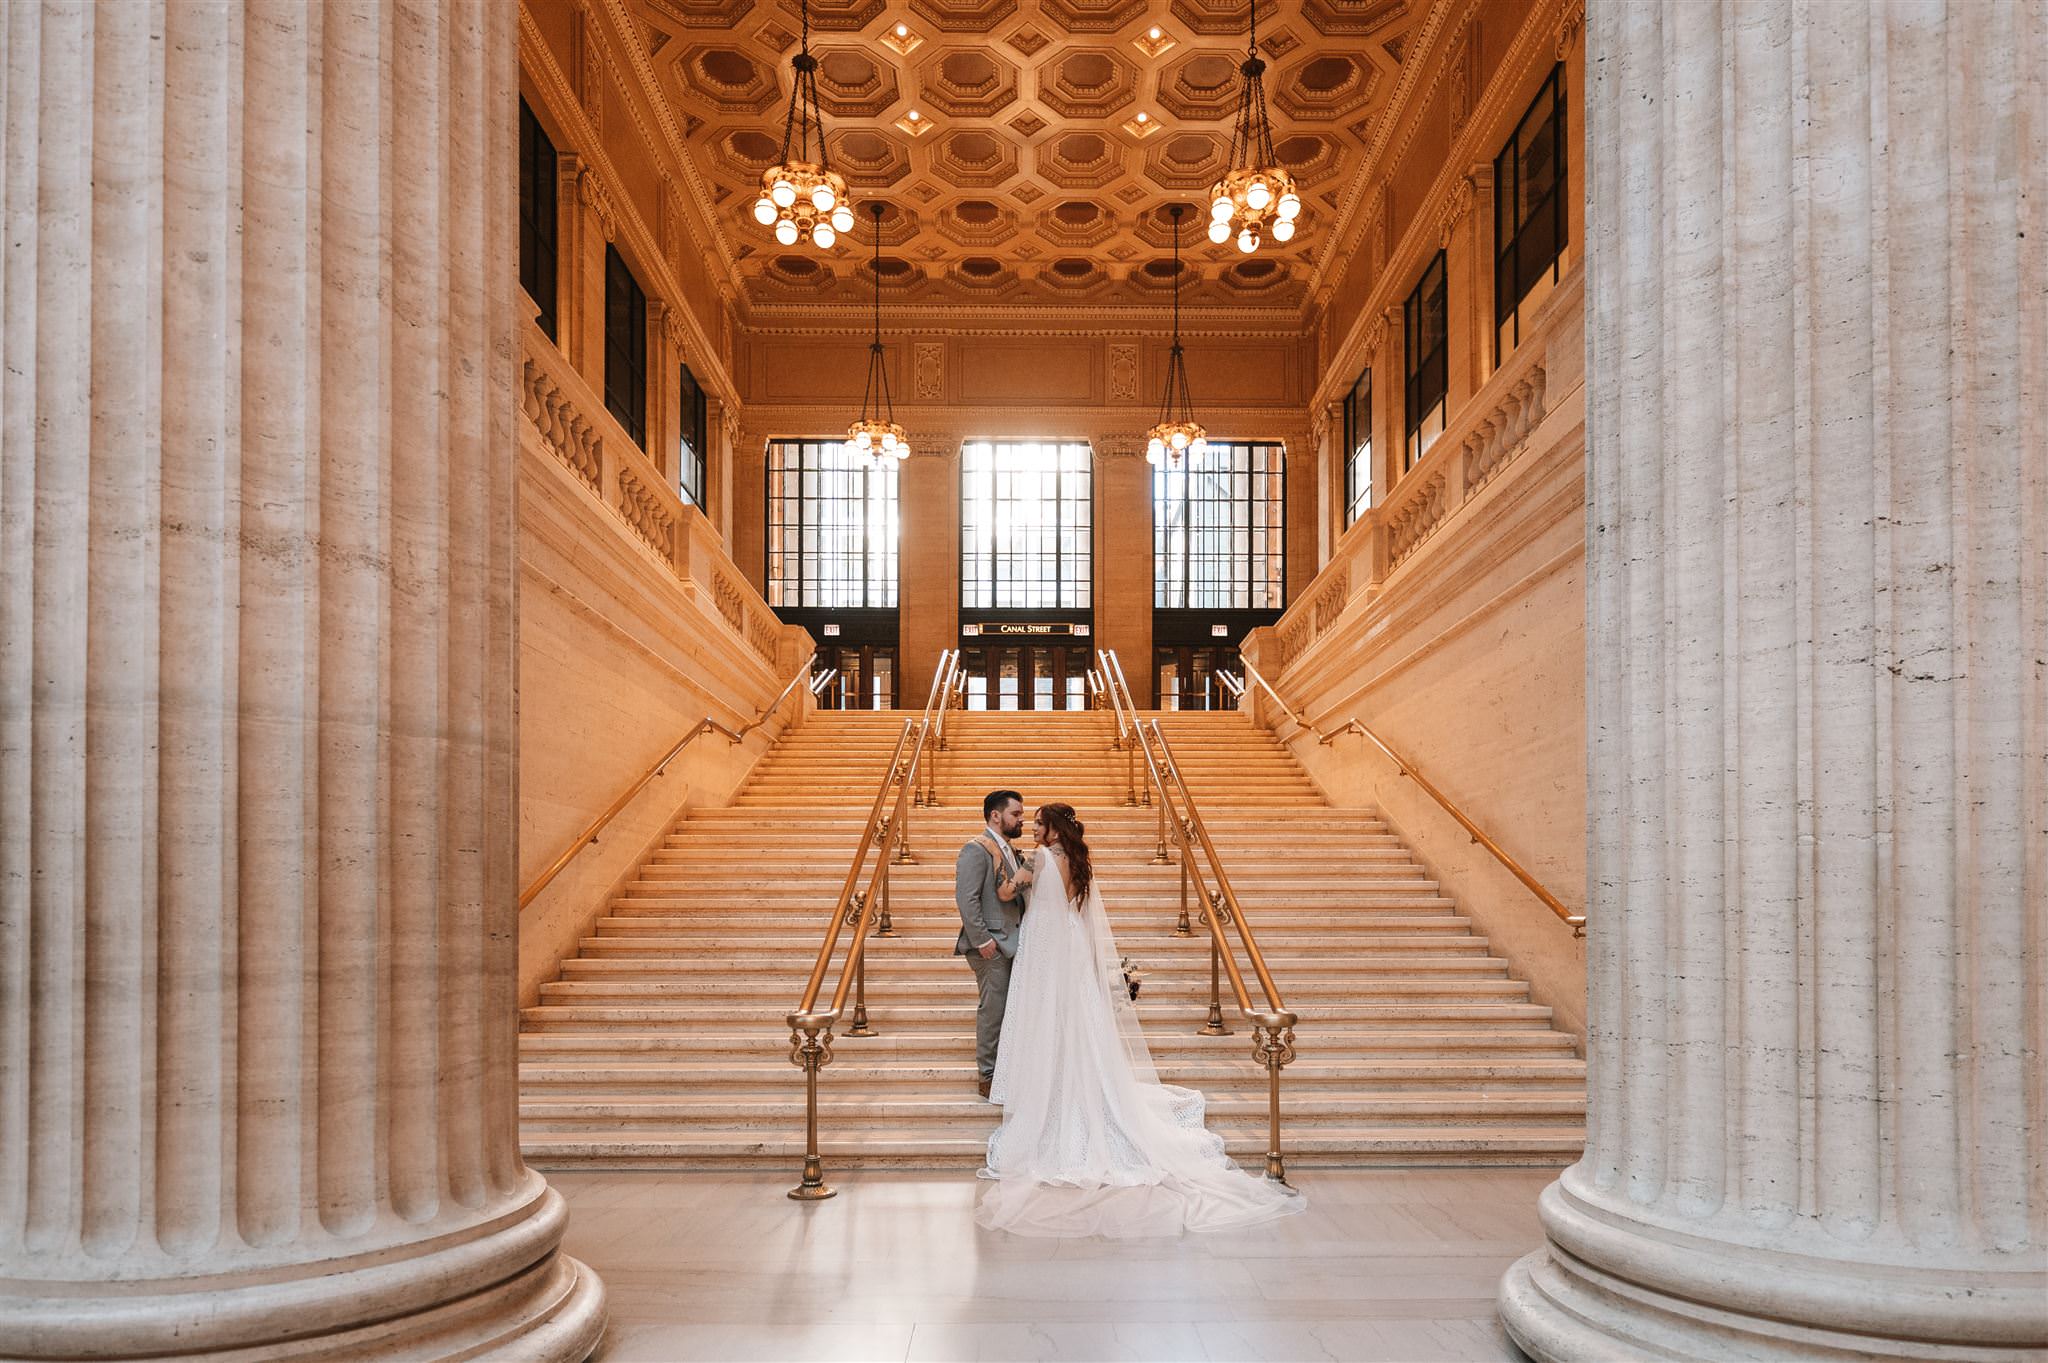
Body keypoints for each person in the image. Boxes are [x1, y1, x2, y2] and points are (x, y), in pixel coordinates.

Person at [977, 802, 1306, 1237]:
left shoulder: (1038, 861)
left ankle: (1059, 1097)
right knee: (1082, 1027)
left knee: (1053, 1025)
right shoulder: (1078, 861)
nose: (1034, 828)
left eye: (1039, 823)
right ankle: (1088, 1090)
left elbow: (1003, 893)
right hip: (1073, 951)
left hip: (1048, 954)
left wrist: (1000, 856)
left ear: (1054, 830)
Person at [954, 789, 1035, 1100]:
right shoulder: (975, 850)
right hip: (992, 946)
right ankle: (987, 1076)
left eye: (1022, 815)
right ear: (996, 815)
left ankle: (1008, 1071)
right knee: (994, 1011)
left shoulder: (1013, 852)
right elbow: (967, 897)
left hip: (1013, 942)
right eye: (1016, 814)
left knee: (1010, 1011)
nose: (1022, 820)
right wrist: (983, 939)